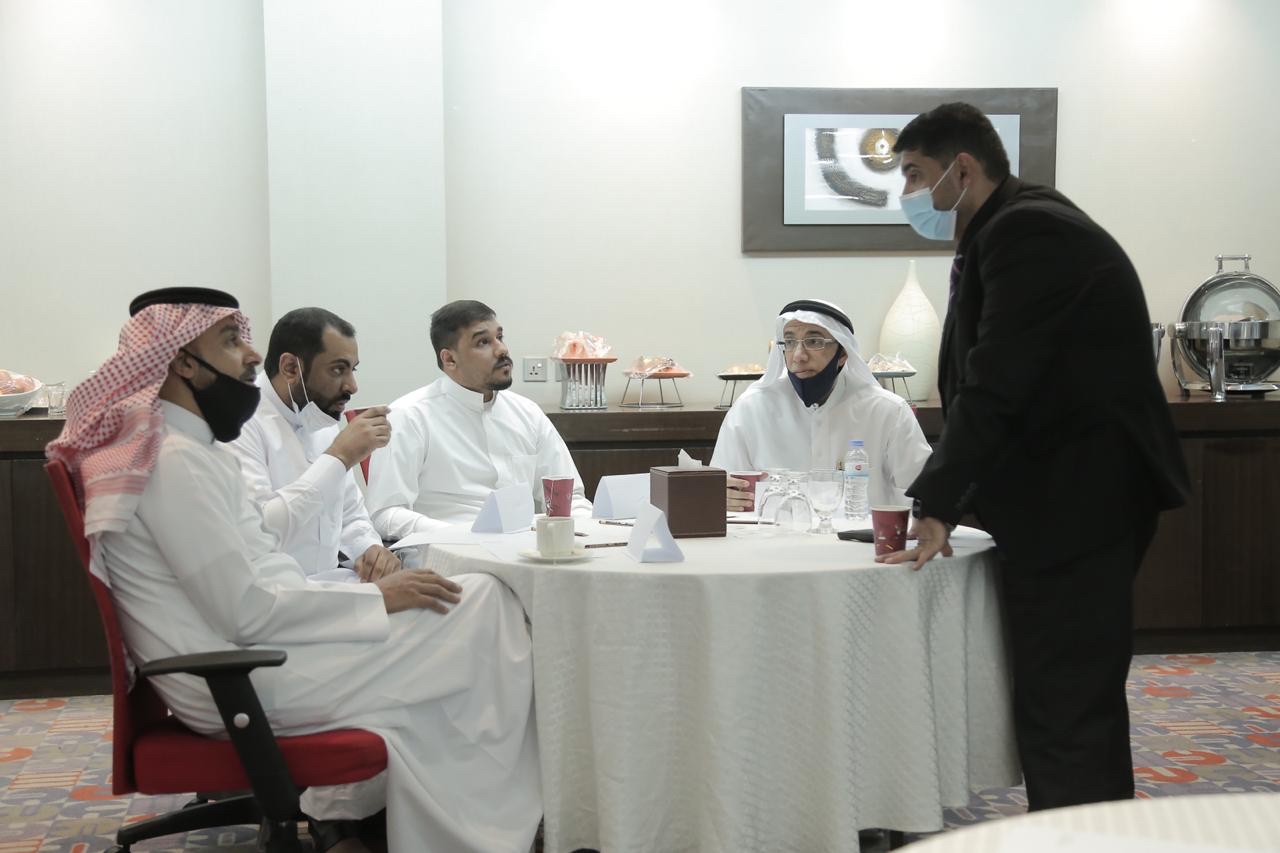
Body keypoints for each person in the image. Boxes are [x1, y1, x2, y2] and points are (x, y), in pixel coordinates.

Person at [47, 288, 541, 853]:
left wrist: (375, 586)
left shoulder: (196, 450)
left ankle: (421, 822)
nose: (251, 355)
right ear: (183, 362)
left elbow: (267, 568)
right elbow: (248, 608)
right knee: (485, 613)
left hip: (263, 649)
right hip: (238, 676)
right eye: (230, 341)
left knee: (482, 606)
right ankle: (470, 831)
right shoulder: (174, 459)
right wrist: (381, 599)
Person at [878, 103, 1189, 811]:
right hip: (1066, 496)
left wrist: (937, 501)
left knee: (1066, 699)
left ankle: (1084, 835)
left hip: (1081, 501)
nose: (909, 194)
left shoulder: (1029, 232)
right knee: (1062, 692)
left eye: (916, 174)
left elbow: (997, 382)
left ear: (962, 168)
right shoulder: (1010, 226)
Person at [366, 299, 590, 537]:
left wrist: (595, 531)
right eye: (483, 342)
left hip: (524, 547)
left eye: (500, 337)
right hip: (445, 549)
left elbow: (571, 498)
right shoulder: (410, 416)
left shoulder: (527, 413)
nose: (501, 350)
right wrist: (462, 536)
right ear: (449, 359)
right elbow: (386, 514)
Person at [228, 307, 400, 583]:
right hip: (275, 592)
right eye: (338, 370)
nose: (352, 386)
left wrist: (369, 549)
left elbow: (350, 516)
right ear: (290, 368)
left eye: (353, 369)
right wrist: (339, 458)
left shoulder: (318, 414)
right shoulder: (239, 422)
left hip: (334, 583)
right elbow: (259, 530)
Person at [711, 299, 932, 512]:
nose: (799, 356)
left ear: (843, 353)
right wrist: (722, 496)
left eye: (814, 342)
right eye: (790, 343)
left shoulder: (887, 411)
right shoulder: (751, 409)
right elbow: (720, 488)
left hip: (862, 537)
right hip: (776, 535)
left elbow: (926, 495)